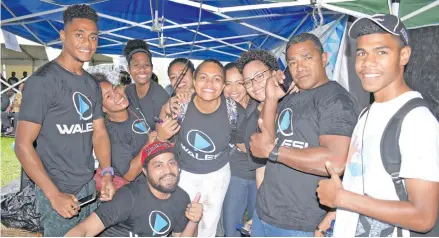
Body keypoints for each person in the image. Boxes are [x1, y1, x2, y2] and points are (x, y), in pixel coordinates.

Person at [317, 14, 439, 237]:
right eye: (362, 52)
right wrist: (338, 213)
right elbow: (370, 186)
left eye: (381, 52)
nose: (367, 62)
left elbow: (423, 217)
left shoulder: (417, 122)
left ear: (404, 55)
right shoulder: (367, 113)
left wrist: (341, 198)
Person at [14, 5, 115, 236]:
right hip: (57, 187)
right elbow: (22, 145)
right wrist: (53, 194)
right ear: (63, 36)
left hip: (87, 186)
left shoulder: (91, 84)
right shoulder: (43, 81)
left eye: (93, 37)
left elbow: (98, 132)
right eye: (79, 35)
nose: (87, 43)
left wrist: (107, 173)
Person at [249, 32, 359, 237]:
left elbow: (335, 161)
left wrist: (274, 151)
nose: (299, 67)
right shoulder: (291, 96)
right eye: (293, 62)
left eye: (307, 58)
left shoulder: (335, 99)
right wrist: (271, 98)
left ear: (324, 58)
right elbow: (266, 140)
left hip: (300, 225)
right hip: (264, 213)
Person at [163, 59, 246, 237]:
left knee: (208, 226)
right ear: (194, 81)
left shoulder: (234, 111)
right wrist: (167, 109)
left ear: (223, 85)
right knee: (181, 225)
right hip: (184, 174)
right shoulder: (180, 105)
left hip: (217, 176)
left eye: (216, 79)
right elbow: (160, 131)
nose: (209, 84)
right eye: (203, 77)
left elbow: (243, 143)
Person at [65, 141, 204, 237]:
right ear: (145, 171)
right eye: (158, 165)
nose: (168, 170)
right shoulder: (129, 197)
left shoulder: (181, 198)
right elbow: (85, 230)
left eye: (171, 163)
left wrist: (194, 220)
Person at [93, 76, 153, 189]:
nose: (116, 94)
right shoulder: (110, 135)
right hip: (137, 189)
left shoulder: (132, 106)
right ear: (102, 109)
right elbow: (129, 174)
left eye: (115, 88)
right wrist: (150, 144)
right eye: (108, 96)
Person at [221, 62, 259, 237]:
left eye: (239, 83)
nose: (233, 89)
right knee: (231, 229)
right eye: (228, 83)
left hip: (262, 177)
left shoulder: (260, 103)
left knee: (258, 229)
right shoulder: (220, 107)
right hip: (234, 175)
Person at [123, 40, 170, 140]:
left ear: (152, 68)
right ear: (129, 69)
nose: (142, 69)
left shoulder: (161, 96)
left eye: (146, 65)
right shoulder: (128, 91)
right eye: (136, 65)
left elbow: (165, 134)